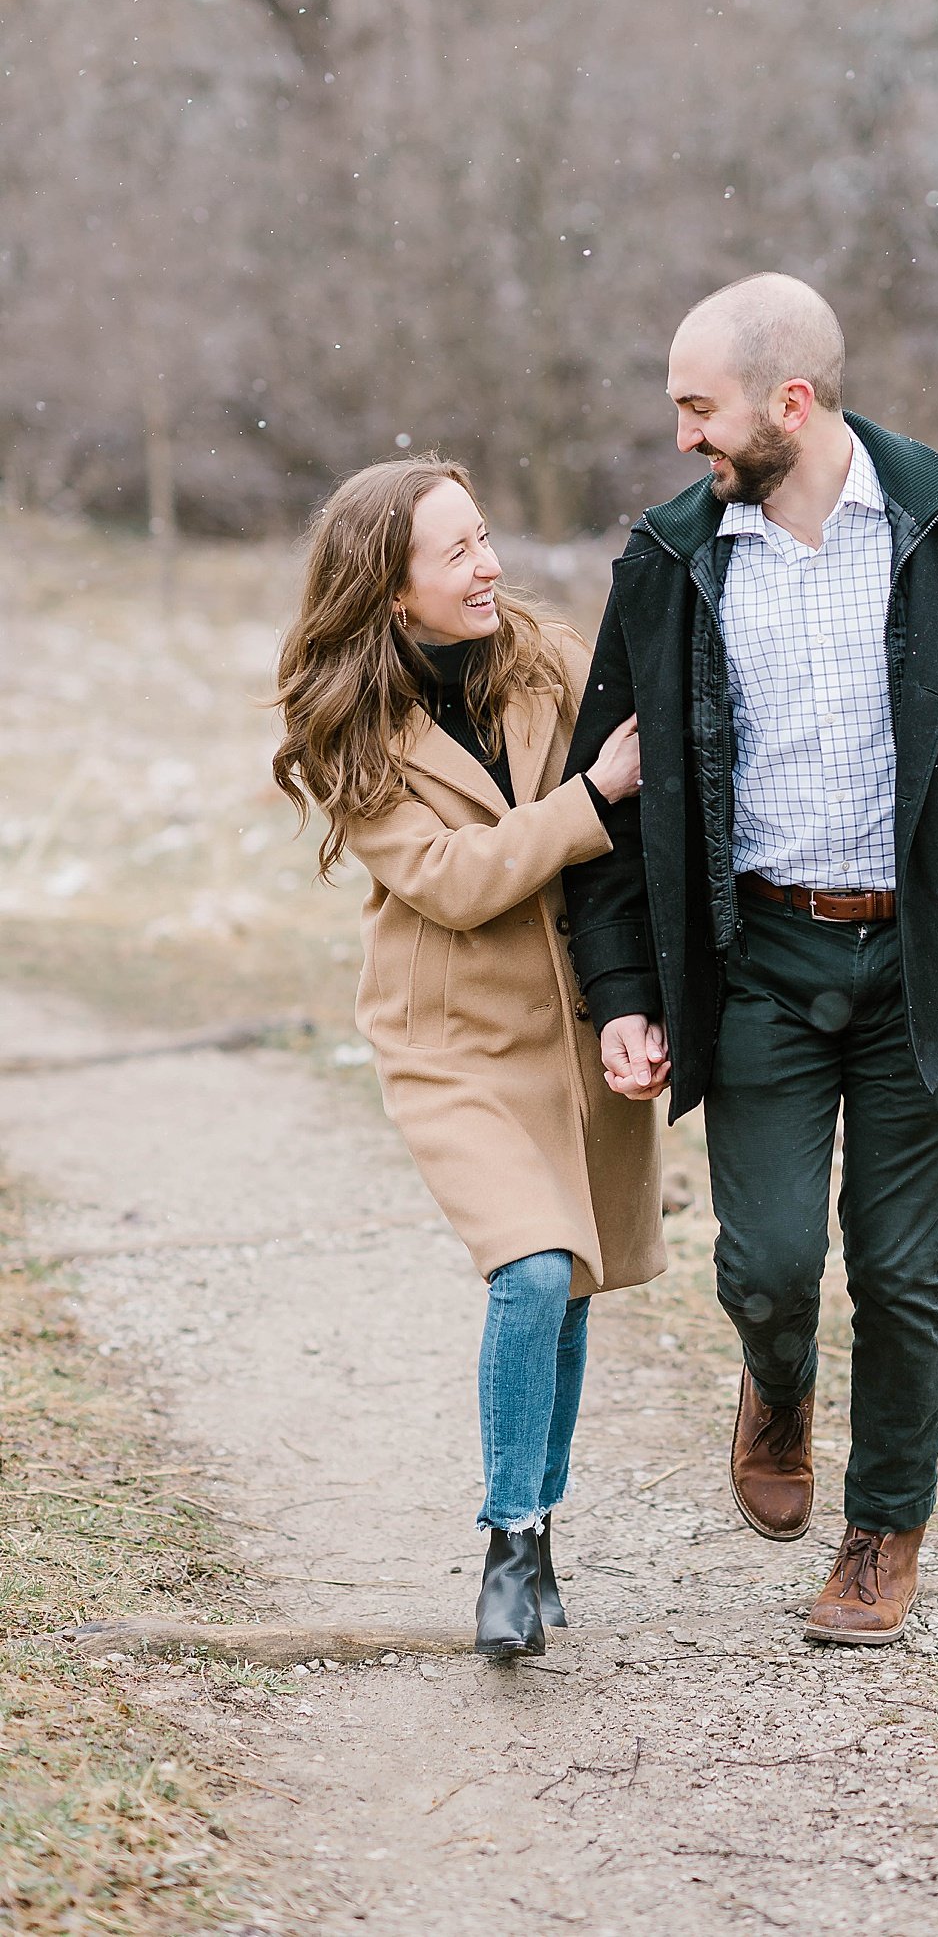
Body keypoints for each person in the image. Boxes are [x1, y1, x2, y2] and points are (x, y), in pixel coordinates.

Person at [564, 274, 938, 1645]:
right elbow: (612, 803)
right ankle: (777, 1379)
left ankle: (880, 1536)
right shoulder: (670, 561)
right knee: (770, 1260)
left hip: (933, 962)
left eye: (699, 406)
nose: (681, 434)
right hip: (756, 964)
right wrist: (626, 991)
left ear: (788, 403)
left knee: (902, 1268)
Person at [273, 455, 664, 1659]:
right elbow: (451, 880)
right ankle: (506, 1542)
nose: (488, 564)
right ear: (391, 591)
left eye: (483, 536)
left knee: (576, 1280)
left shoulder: (545, 660)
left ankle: (539, 1533)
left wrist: (633, 1002)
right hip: (452, 1046)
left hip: (570, 1022)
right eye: (456, 551)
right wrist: (591, 796)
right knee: (534, 1269)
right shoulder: (348, 731)